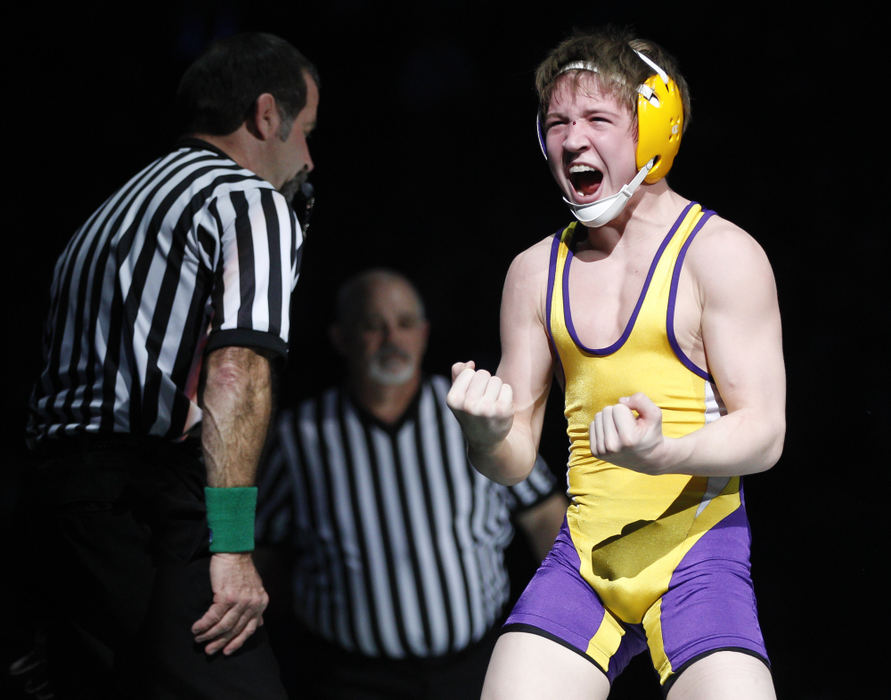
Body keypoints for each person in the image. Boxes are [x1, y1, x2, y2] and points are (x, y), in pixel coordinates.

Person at [447, 27, 785, 699]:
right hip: (586, 562)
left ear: (656, 126)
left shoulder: (718, 255)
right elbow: (512, 462)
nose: (572, 139)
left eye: (597, 118)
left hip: (696, 562)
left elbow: (765, 433)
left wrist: (659, 453)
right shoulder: (533, 273)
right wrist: (484, 436)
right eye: (556, 123)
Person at [21, 32, 319, 699]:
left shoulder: (107, 214)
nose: (308, 158)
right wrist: (234, 545)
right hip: (148, 505)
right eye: (307, 133)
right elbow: (236, 369)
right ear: (267, 115)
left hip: (56, 513)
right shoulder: (250, 201)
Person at [255, 269, 567, 699]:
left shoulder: (475, 415)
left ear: (423, 333)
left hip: (475, 666)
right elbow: (264, 560)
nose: (391, 339)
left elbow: (547, 520)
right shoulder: (299, 437)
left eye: (404, 324)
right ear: (341, 338)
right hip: (351, 679)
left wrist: (560, 628)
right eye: (372, 325)